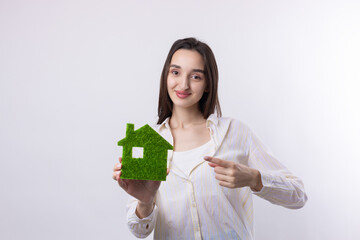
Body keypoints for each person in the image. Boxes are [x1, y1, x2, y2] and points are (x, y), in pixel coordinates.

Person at [112, 37, 307, 239]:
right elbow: (139, 231)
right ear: (166, 76)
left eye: (195, 77)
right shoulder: (149, 140)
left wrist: (253, 178)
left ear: (207, 84)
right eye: (175, 72)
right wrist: (145, 201)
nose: (183, 84)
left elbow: (298, 196)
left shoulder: (235, 132)